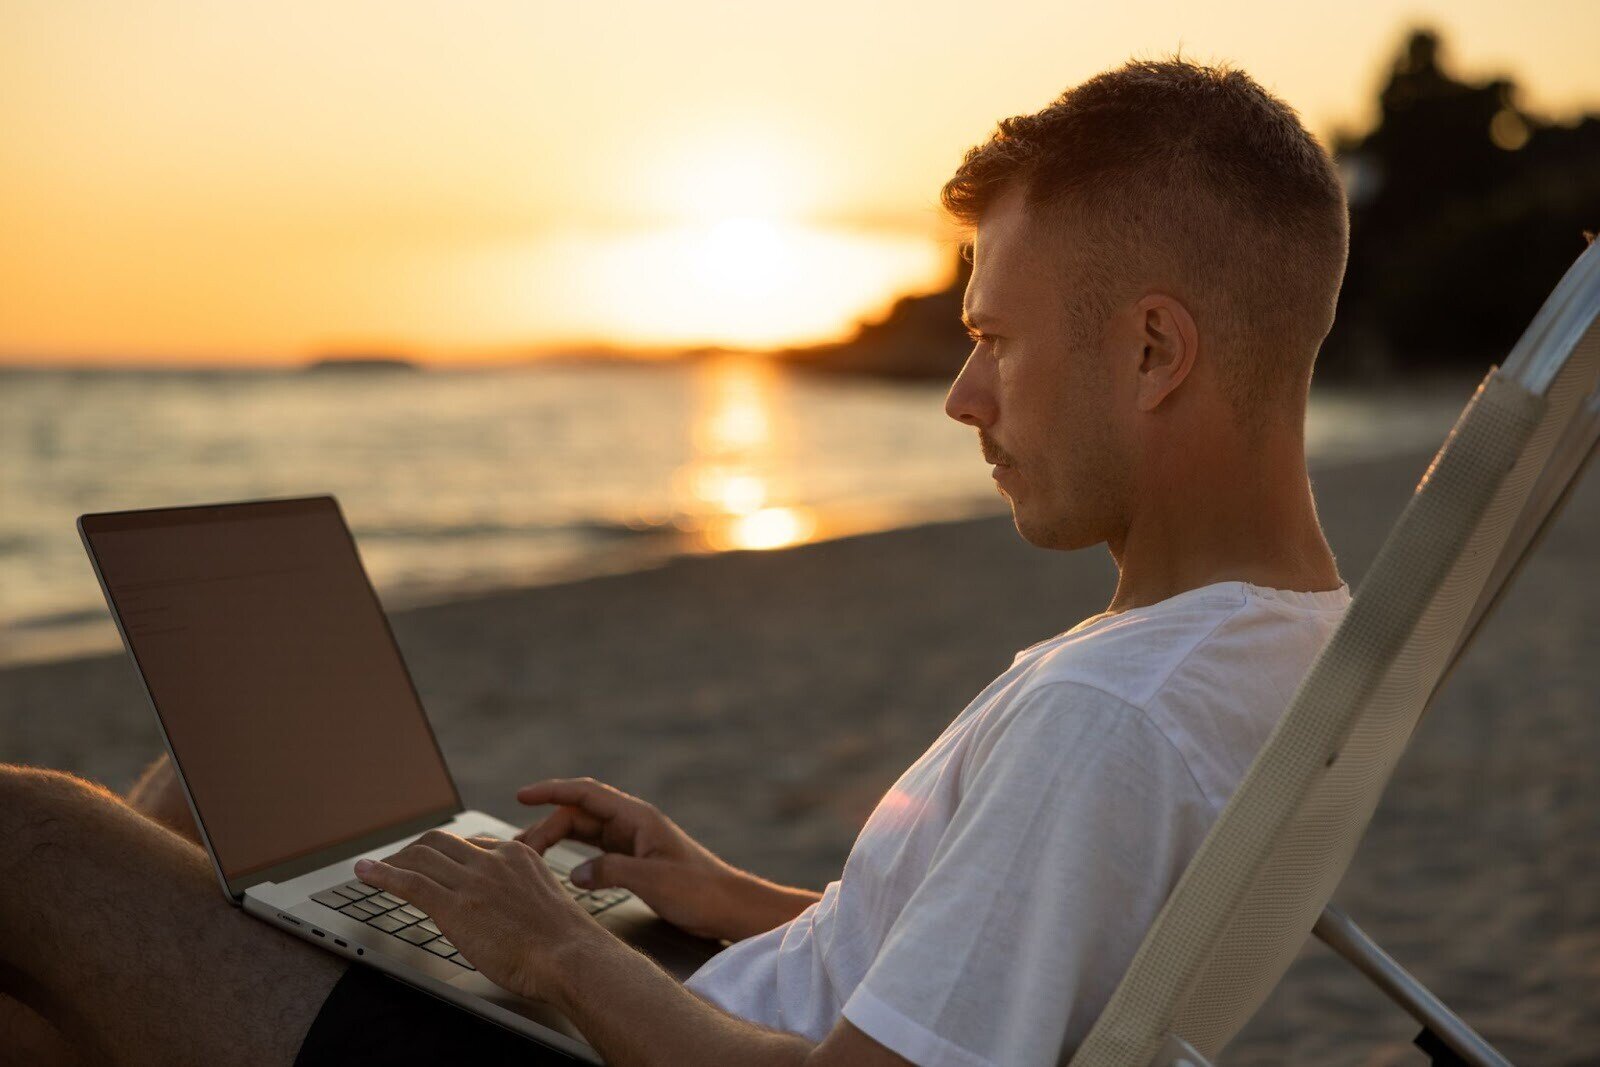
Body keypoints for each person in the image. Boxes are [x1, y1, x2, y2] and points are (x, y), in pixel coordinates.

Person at [1, 56, 1353, 1066]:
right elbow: (982, 955)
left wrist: (556, 949)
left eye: (995, 340)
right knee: (205, 806)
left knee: (35, 834)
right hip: (679, 1007)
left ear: (1154, 352)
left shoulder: (1111, 716)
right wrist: (734, 899)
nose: (963, 398)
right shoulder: (1276, 641)